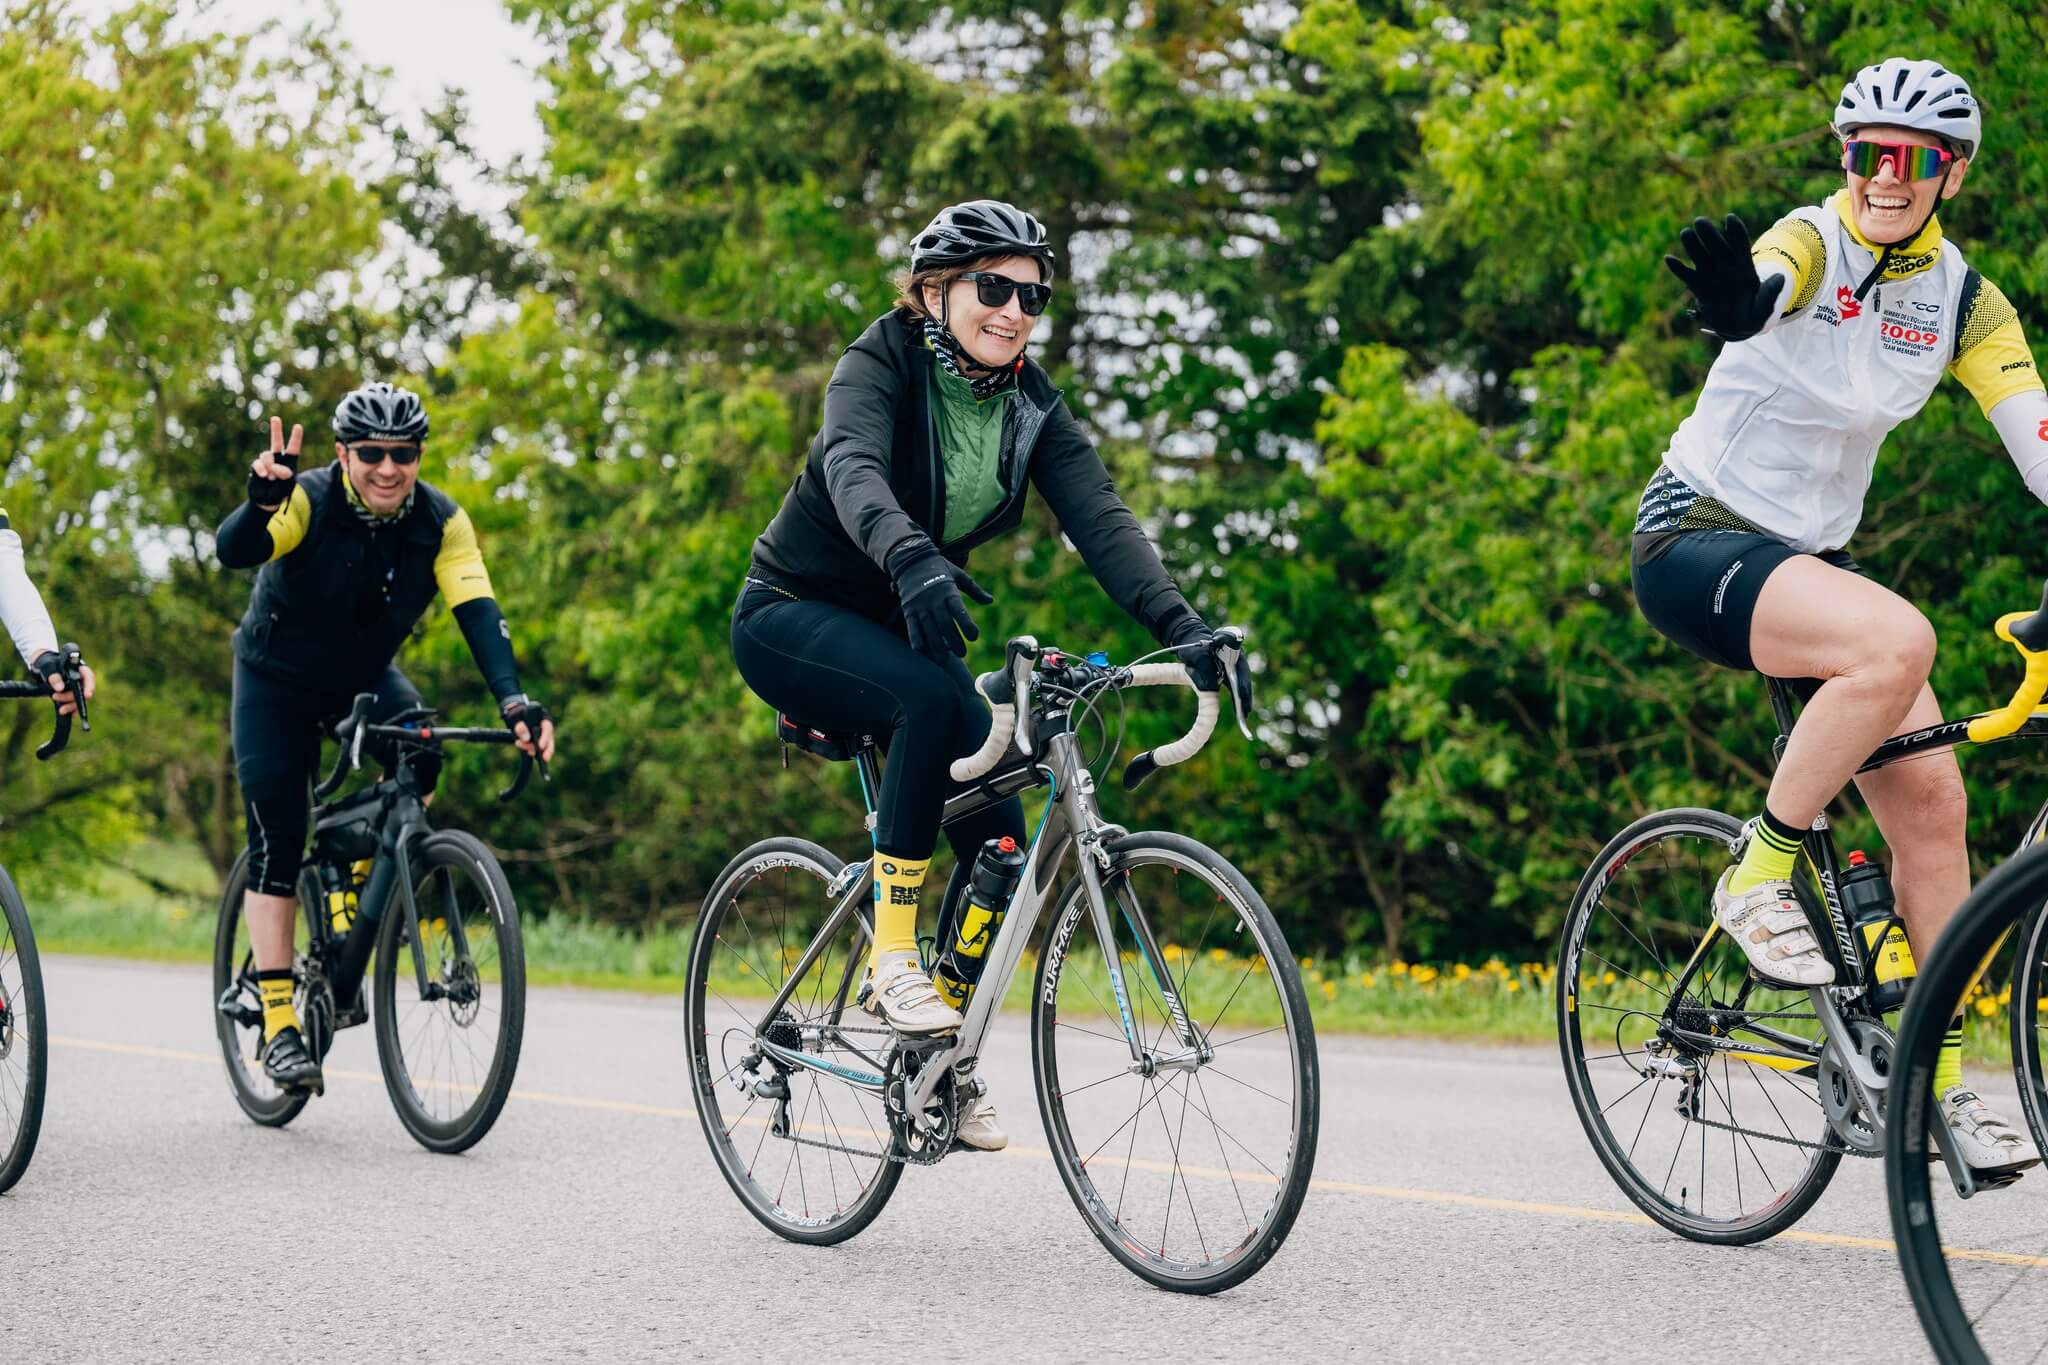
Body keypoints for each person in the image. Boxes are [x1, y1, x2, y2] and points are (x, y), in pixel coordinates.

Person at [732, 200, 1227, 1152]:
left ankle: (937, 1064)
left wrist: (1185, 629)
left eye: (1032, 295)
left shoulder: (1031, 404)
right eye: (992, 288)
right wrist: (909, 553)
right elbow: (851, 466)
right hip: (790, 613)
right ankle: (889, 956)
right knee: (925, 698)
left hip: (906, 618)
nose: (1013, 311)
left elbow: (1105, 524)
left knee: (1000, 840)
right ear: (933, 291)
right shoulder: (877, 362)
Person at [1638, 58, 2047, 1174]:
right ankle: (1755, 874)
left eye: (1911, 159)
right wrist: (1739, 305)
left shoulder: (1962, 300)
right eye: (1866, 153)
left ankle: (1939, 1083)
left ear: (1948, 176)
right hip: (1696, 534)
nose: (1884, 176)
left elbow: (2037, 440)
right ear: (1844, 160)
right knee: (1898, 639)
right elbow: (1769, 283)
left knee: (1930, 803)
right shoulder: (1809, 239)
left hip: (1812, 560)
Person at [217, 383, 555, 1095]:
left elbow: (479, 611)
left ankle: (356, 876)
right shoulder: (306, 500)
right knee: (280, 830)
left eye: (402, 453)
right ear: (343, 454)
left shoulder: (440, 522)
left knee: (423, 749)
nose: (386, 467)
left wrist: (515, 701)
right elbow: (236, 551)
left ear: (419, 455)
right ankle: (278, 1019)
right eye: (370, 452)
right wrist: (259, 503)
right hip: (274, 679)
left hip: (360, 678)